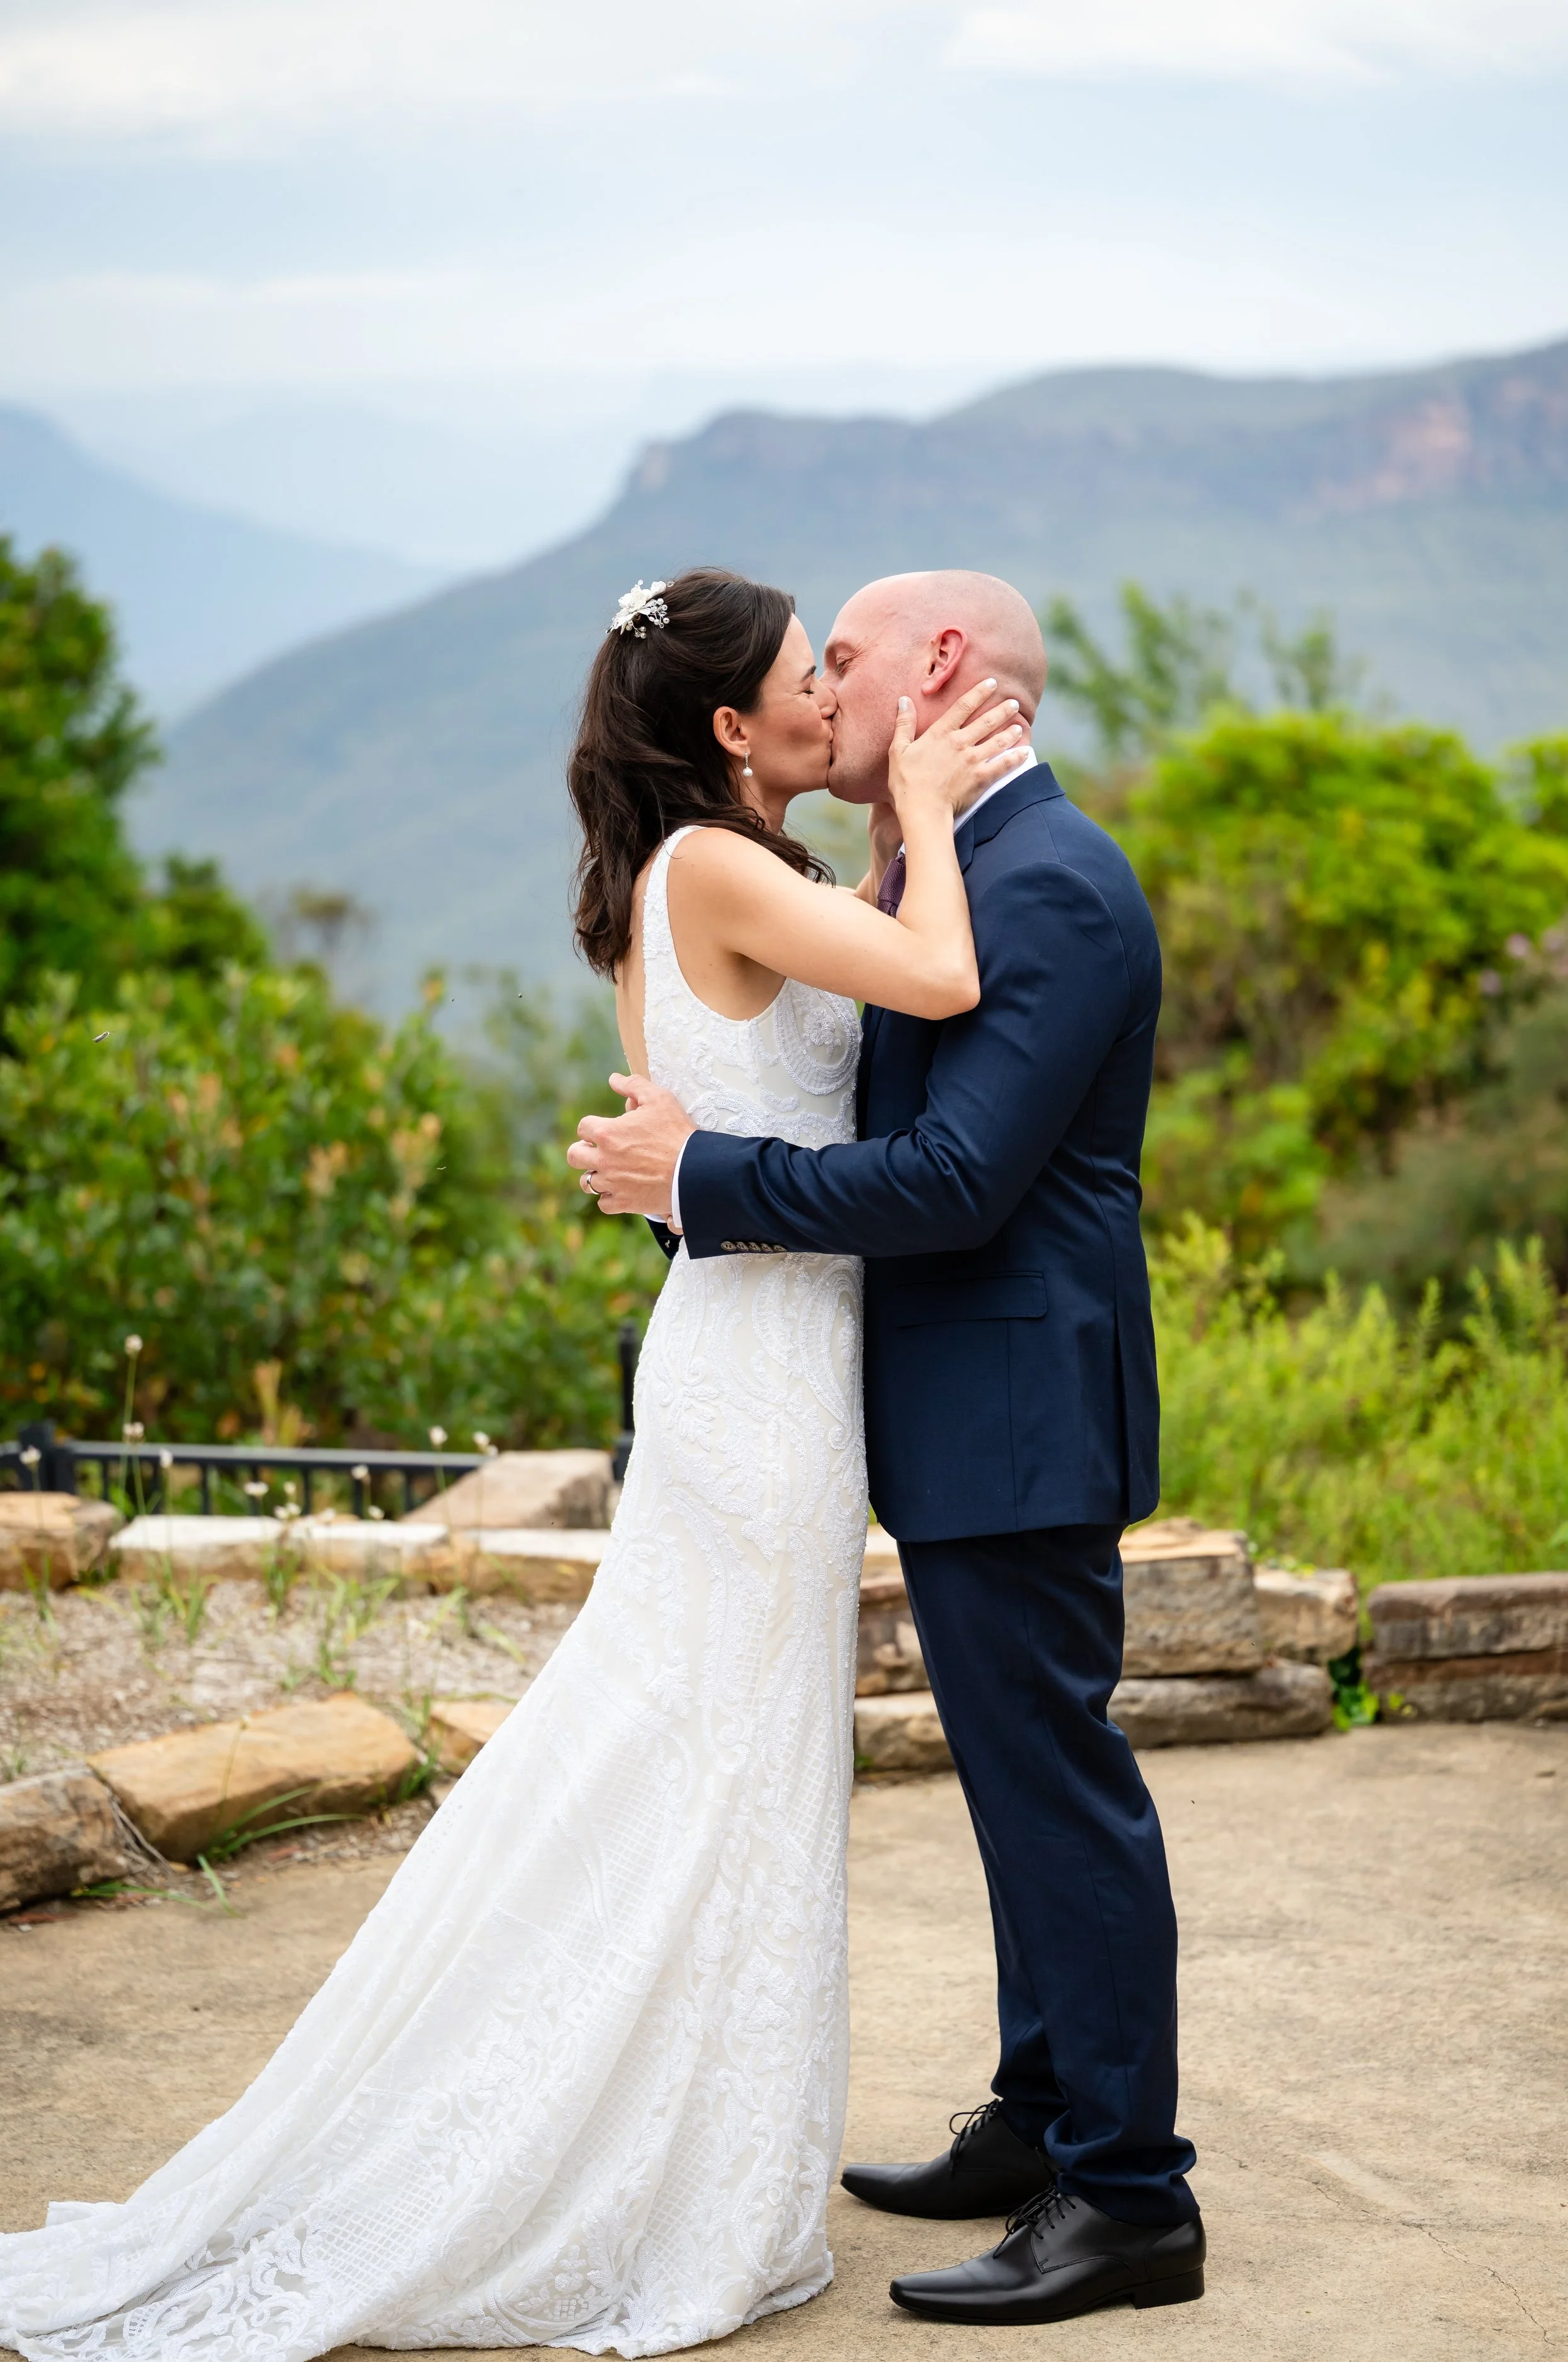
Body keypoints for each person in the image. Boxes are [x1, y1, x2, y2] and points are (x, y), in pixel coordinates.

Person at [0, 567, 1023, 2362]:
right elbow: (937, 972)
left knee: (714, 1755)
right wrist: (929, 812)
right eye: (804, 677)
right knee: (713, 1760)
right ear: (728, 726)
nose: (828, 699)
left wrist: (874, 852)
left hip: (751, 1357)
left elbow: (744, 1095)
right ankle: (650, 2181)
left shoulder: (715, 872)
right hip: (760, 1380)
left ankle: (697, 2159)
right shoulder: (716, 868)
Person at [569, 567, 1206, 2328]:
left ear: (935, 665)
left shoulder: (1051, 884)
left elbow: (950, 1183)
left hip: (1011, 1407)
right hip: (933, 1405)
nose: (826, 683)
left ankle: (1133, 2198)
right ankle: (1037, 2115)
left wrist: (700, 1183)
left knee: (1057, 1794)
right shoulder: (932, 871)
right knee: (1016, 1787)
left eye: (840, 654)